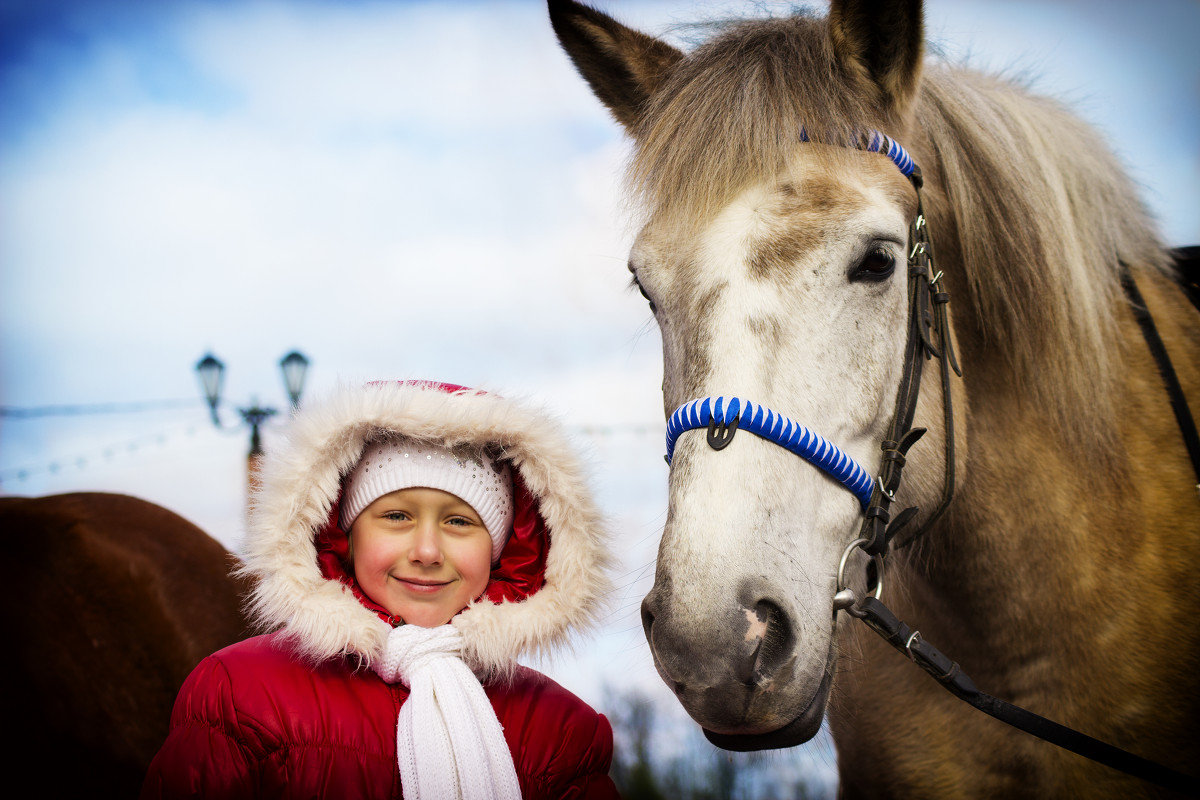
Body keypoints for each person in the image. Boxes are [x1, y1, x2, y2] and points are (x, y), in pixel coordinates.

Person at [141, 380, 619, 799]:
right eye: (396, 516)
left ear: (501, 550)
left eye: (459, 522)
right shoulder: (241, 694)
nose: (427, 551)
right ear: (345, 535)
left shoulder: (561, 731)